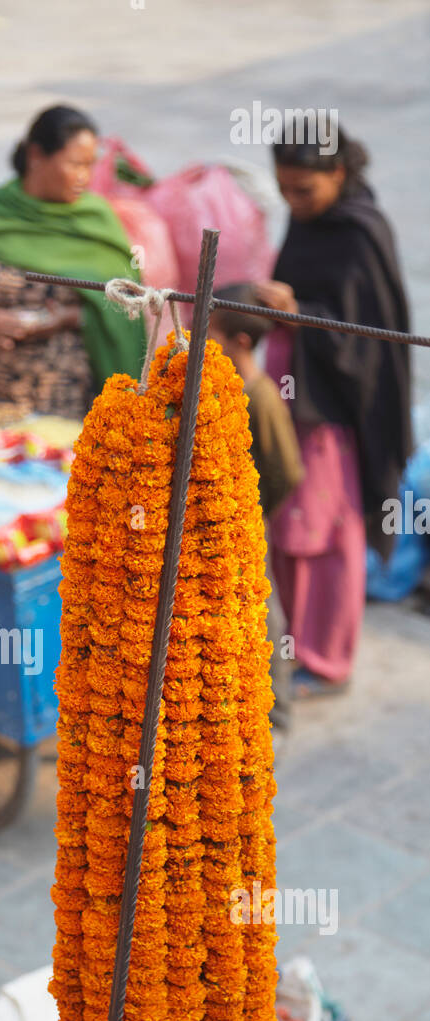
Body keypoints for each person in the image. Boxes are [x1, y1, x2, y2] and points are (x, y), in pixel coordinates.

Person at [254, 122, 412, 698]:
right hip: (298, 391)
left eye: (305, 191)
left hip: (338, 410)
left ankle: (326, 660)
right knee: (290, 527)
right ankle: (296, 643)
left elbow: (365, 341)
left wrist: (297, 312)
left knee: (327, 534)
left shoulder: (360, 233)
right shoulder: (309, 218)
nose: (295, 203)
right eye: (286, 190)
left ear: (337, 174)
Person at [0, 105, 146, 419]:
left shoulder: (97, 220)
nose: (84, 178)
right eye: (75, 164)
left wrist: (67, 318)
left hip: (64, 393)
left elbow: (128, 309)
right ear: (36, 155)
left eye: (91, 166)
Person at [209, 285, 305, 729]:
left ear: (240, 341)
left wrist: (253, 510)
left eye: (209, 331)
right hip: (226, 525)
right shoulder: (220, 390)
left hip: (249, 526)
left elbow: (287, 472)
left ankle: (279, 713)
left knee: (265, 617)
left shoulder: (261, 397)